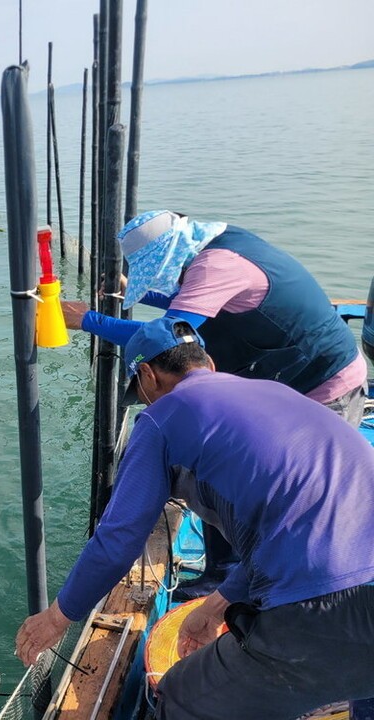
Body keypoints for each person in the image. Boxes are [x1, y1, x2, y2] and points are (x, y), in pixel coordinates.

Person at [14, 317, 374, 720]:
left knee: (183, 697)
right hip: (348, 577)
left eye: (142, 393)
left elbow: (118, 538)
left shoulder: (161, 418)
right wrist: (216, 606)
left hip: (333, 605)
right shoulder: (274, 391)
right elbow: (297, 529)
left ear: (147, 375)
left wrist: (57, 617)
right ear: (209, 364)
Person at [62, 210, 369, 597]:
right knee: (217, 468)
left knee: (294, 503)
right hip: (286, 382)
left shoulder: (216, 266)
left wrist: (89, 320)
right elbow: (189, 308)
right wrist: (143, 293)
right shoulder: (217, 247)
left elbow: (172, 337)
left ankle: (266, 586)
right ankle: (224, 574)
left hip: (323, 387)